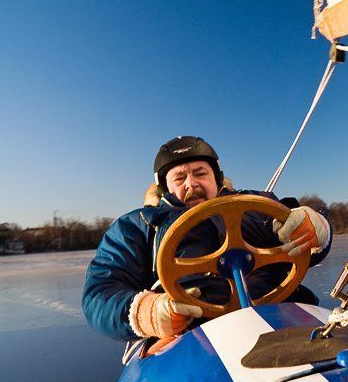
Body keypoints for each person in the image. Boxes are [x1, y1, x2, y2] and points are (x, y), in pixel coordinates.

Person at [82, 135, 331, 342]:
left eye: (201, 173)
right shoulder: (139, 225)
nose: (192, 184)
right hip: (190, 335)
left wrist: (315, 227)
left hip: (285, 315)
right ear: (166, 188)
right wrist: (147, 312)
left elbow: (305, 236)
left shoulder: (259, 205)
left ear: (217, 177)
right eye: (179, 178)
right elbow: (99, 293)